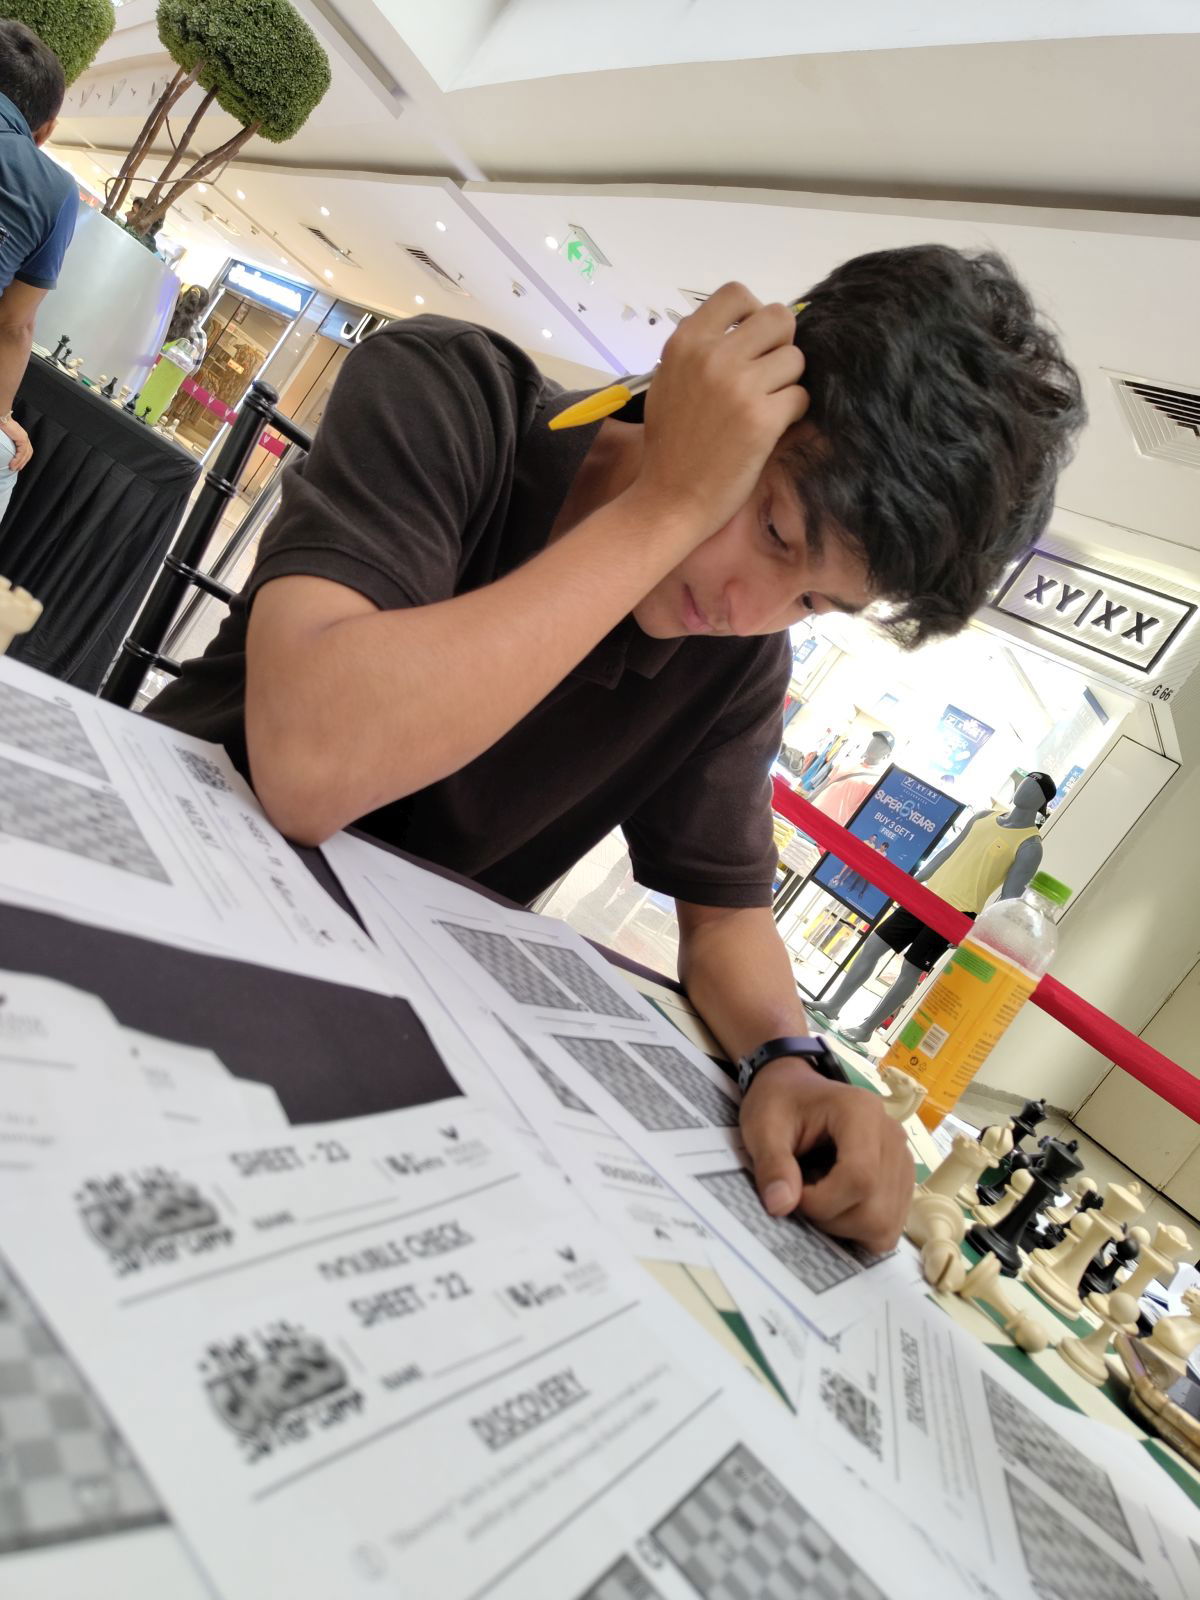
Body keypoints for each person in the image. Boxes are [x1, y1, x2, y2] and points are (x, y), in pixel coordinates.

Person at [148, 245, 1085, 1253]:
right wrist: (668, 505)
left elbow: (725, 917)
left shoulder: (737, 661)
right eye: (775, 529)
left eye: (814, 599)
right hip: (156, 882)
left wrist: (788, 1060)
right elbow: (310, 765)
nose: (749, 608)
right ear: (737, 389)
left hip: (354, 1030)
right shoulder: (451, 394)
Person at [0, 20, 76, 504]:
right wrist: (1, 415)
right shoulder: (54, 191)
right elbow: (13, 325)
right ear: (44, 131)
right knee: (5, 463)